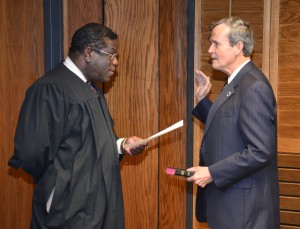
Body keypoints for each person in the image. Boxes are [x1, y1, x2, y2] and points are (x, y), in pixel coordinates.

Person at [8, 23, 147, 229]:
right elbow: (31, 153)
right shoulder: (51, 89)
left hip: (99, 208)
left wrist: (120, 144)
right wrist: (60, 185)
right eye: (111, 55)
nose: (116, 62)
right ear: (89, 53)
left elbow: (90, 141)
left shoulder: (91, 88)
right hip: (68, 212)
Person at [187, 17, 280, 228]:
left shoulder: (254, 87)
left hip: (245, 212)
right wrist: (202, 101)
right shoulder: (237, 83)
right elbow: (228, 124)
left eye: (216, 43)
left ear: (238, 47)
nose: (210, 50)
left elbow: (260, 151)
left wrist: (211, 172)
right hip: (230, 206)